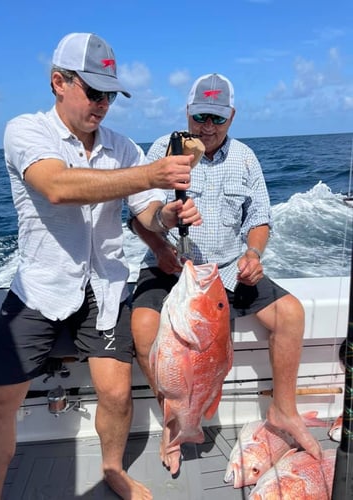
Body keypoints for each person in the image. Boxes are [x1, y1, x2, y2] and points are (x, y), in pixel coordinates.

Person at [0, 33, 202, 500]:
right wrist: (150, 174)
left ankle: (112, 469)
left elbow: (145, 213)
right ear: (59, 82)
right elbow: (56, 185)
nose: (103, 104)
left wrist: (168, 215)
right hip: (39, 289)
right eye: (94, 92)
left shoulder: (122, 147)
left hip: (104, 290)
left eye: (110, 95)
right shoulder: (26, 130)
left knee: (118, 394)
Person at [130, 73, 322, 475]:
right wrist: (161, 244)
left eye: (217, 118)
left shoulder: (245, 157)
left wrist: (253, 254)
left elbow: (260, 218)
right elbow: (135, 217)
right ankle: (173, 422)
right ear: (188, 113)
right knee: (144, 324)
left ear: (231, 117)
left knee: (291, 314)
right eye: (200, 116)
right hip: (173, 269)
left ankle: (283, 411)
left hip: (230, 271)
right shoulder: (164, 150)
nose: (208, 127)